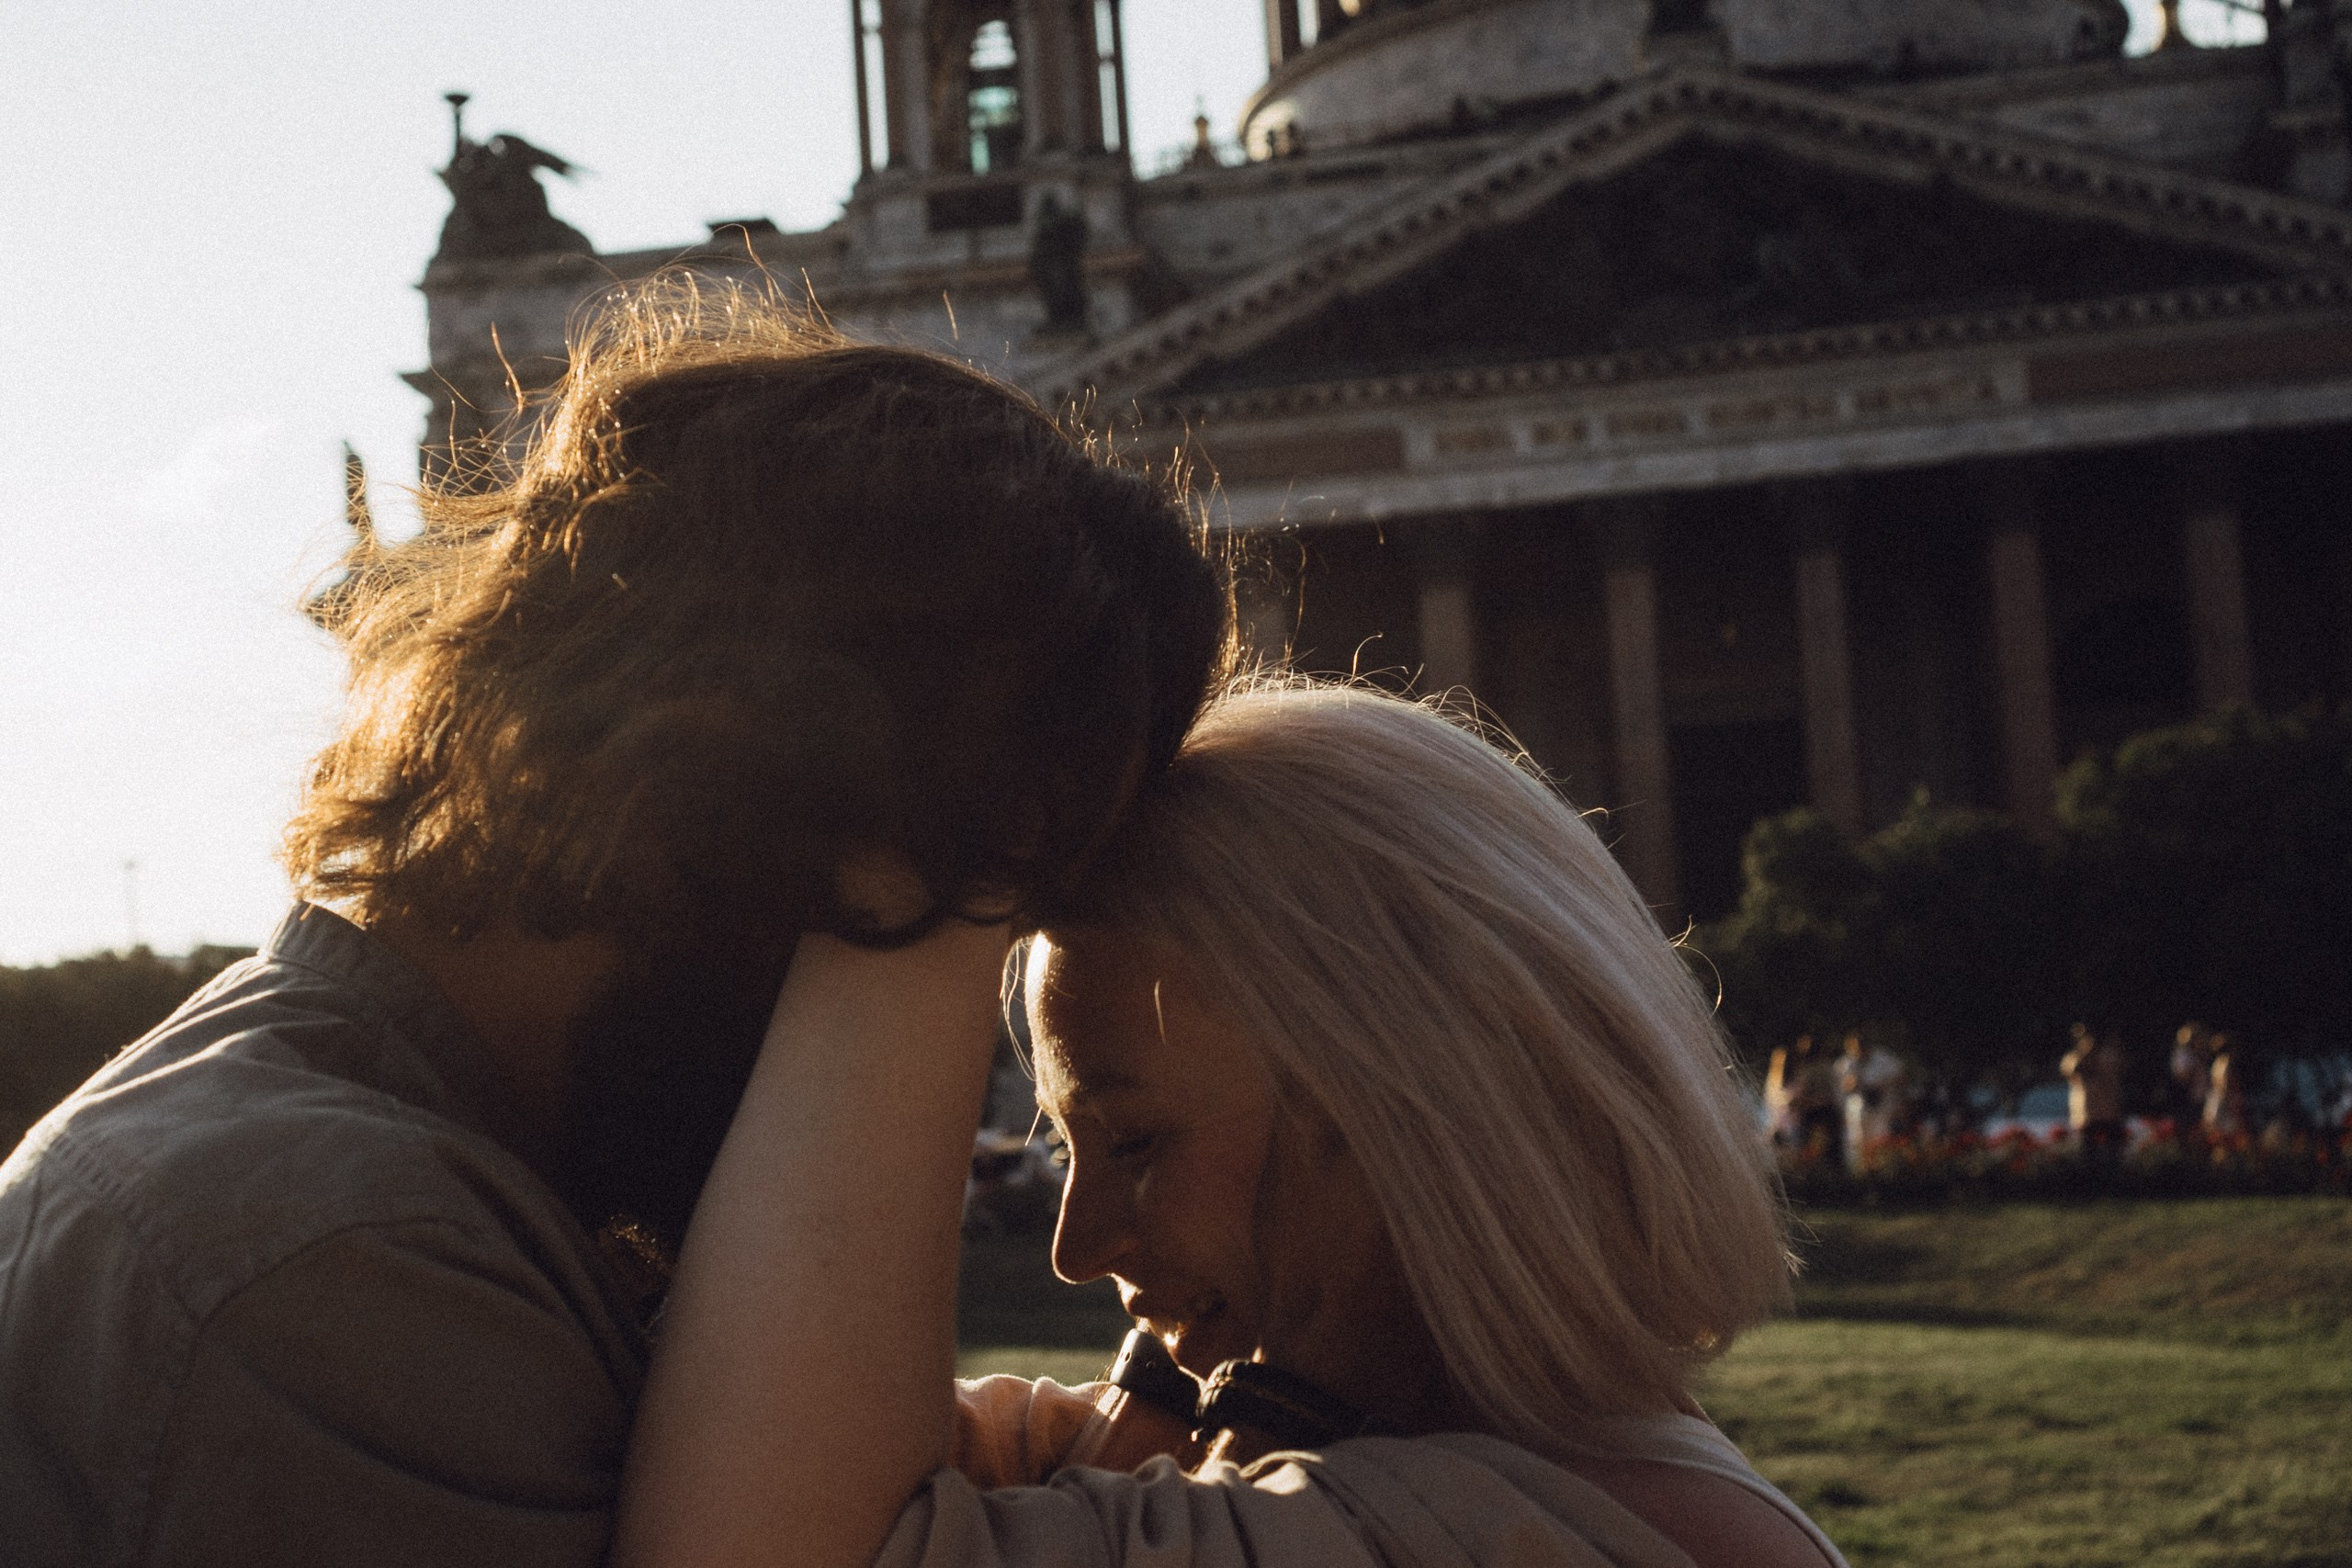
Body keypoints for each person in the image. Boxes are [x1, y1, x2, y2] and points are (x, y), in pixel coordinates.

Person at [0, 279, 1229, 1564]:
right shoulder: (345, 1264)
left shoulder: (388, 1165)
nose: (905, 1047)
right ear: (716, 784)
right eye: (951, 910)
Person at [613, 681, 1846, 1568]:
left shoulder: (1535, 1534)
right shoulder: (1495, 1469)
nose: (1075, 1246)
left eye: (1137, 1144)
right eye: (1068, 1147)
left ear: (1401, 1119)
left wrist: (919, 881)